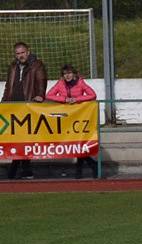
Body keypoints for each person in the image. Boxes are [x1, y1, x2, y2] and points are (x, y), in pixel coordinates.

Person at [2, 41, 47, 180]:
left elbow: (41, 80)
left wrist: (40, 95)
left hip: (28, 105)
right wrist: (4, 101)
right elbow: (8, 85)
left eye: (22, 53)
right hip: (13, 106)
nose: (20, 56)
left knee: (25, 139)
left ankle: (19, 169)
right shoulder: (13, 66)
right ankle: (21, 169)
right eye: (17, 53)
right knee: (16, 138)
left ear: (28, 51)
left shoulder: (37, 65)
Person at [46, 65, 98, 179]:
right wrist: (64, 100)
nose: (67, 76)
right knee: (75, 144)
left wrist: (77, 99)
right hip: (66, 118)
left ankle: (80, 170)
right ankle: (92, 165)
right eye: (65, 74)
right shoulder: (60, 83)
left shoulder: (80, 82)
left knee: (79, 142)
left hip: (79, 116)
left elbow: (93, 95)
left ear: (74, 74)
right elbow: (49, 95)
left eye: (69, 73)